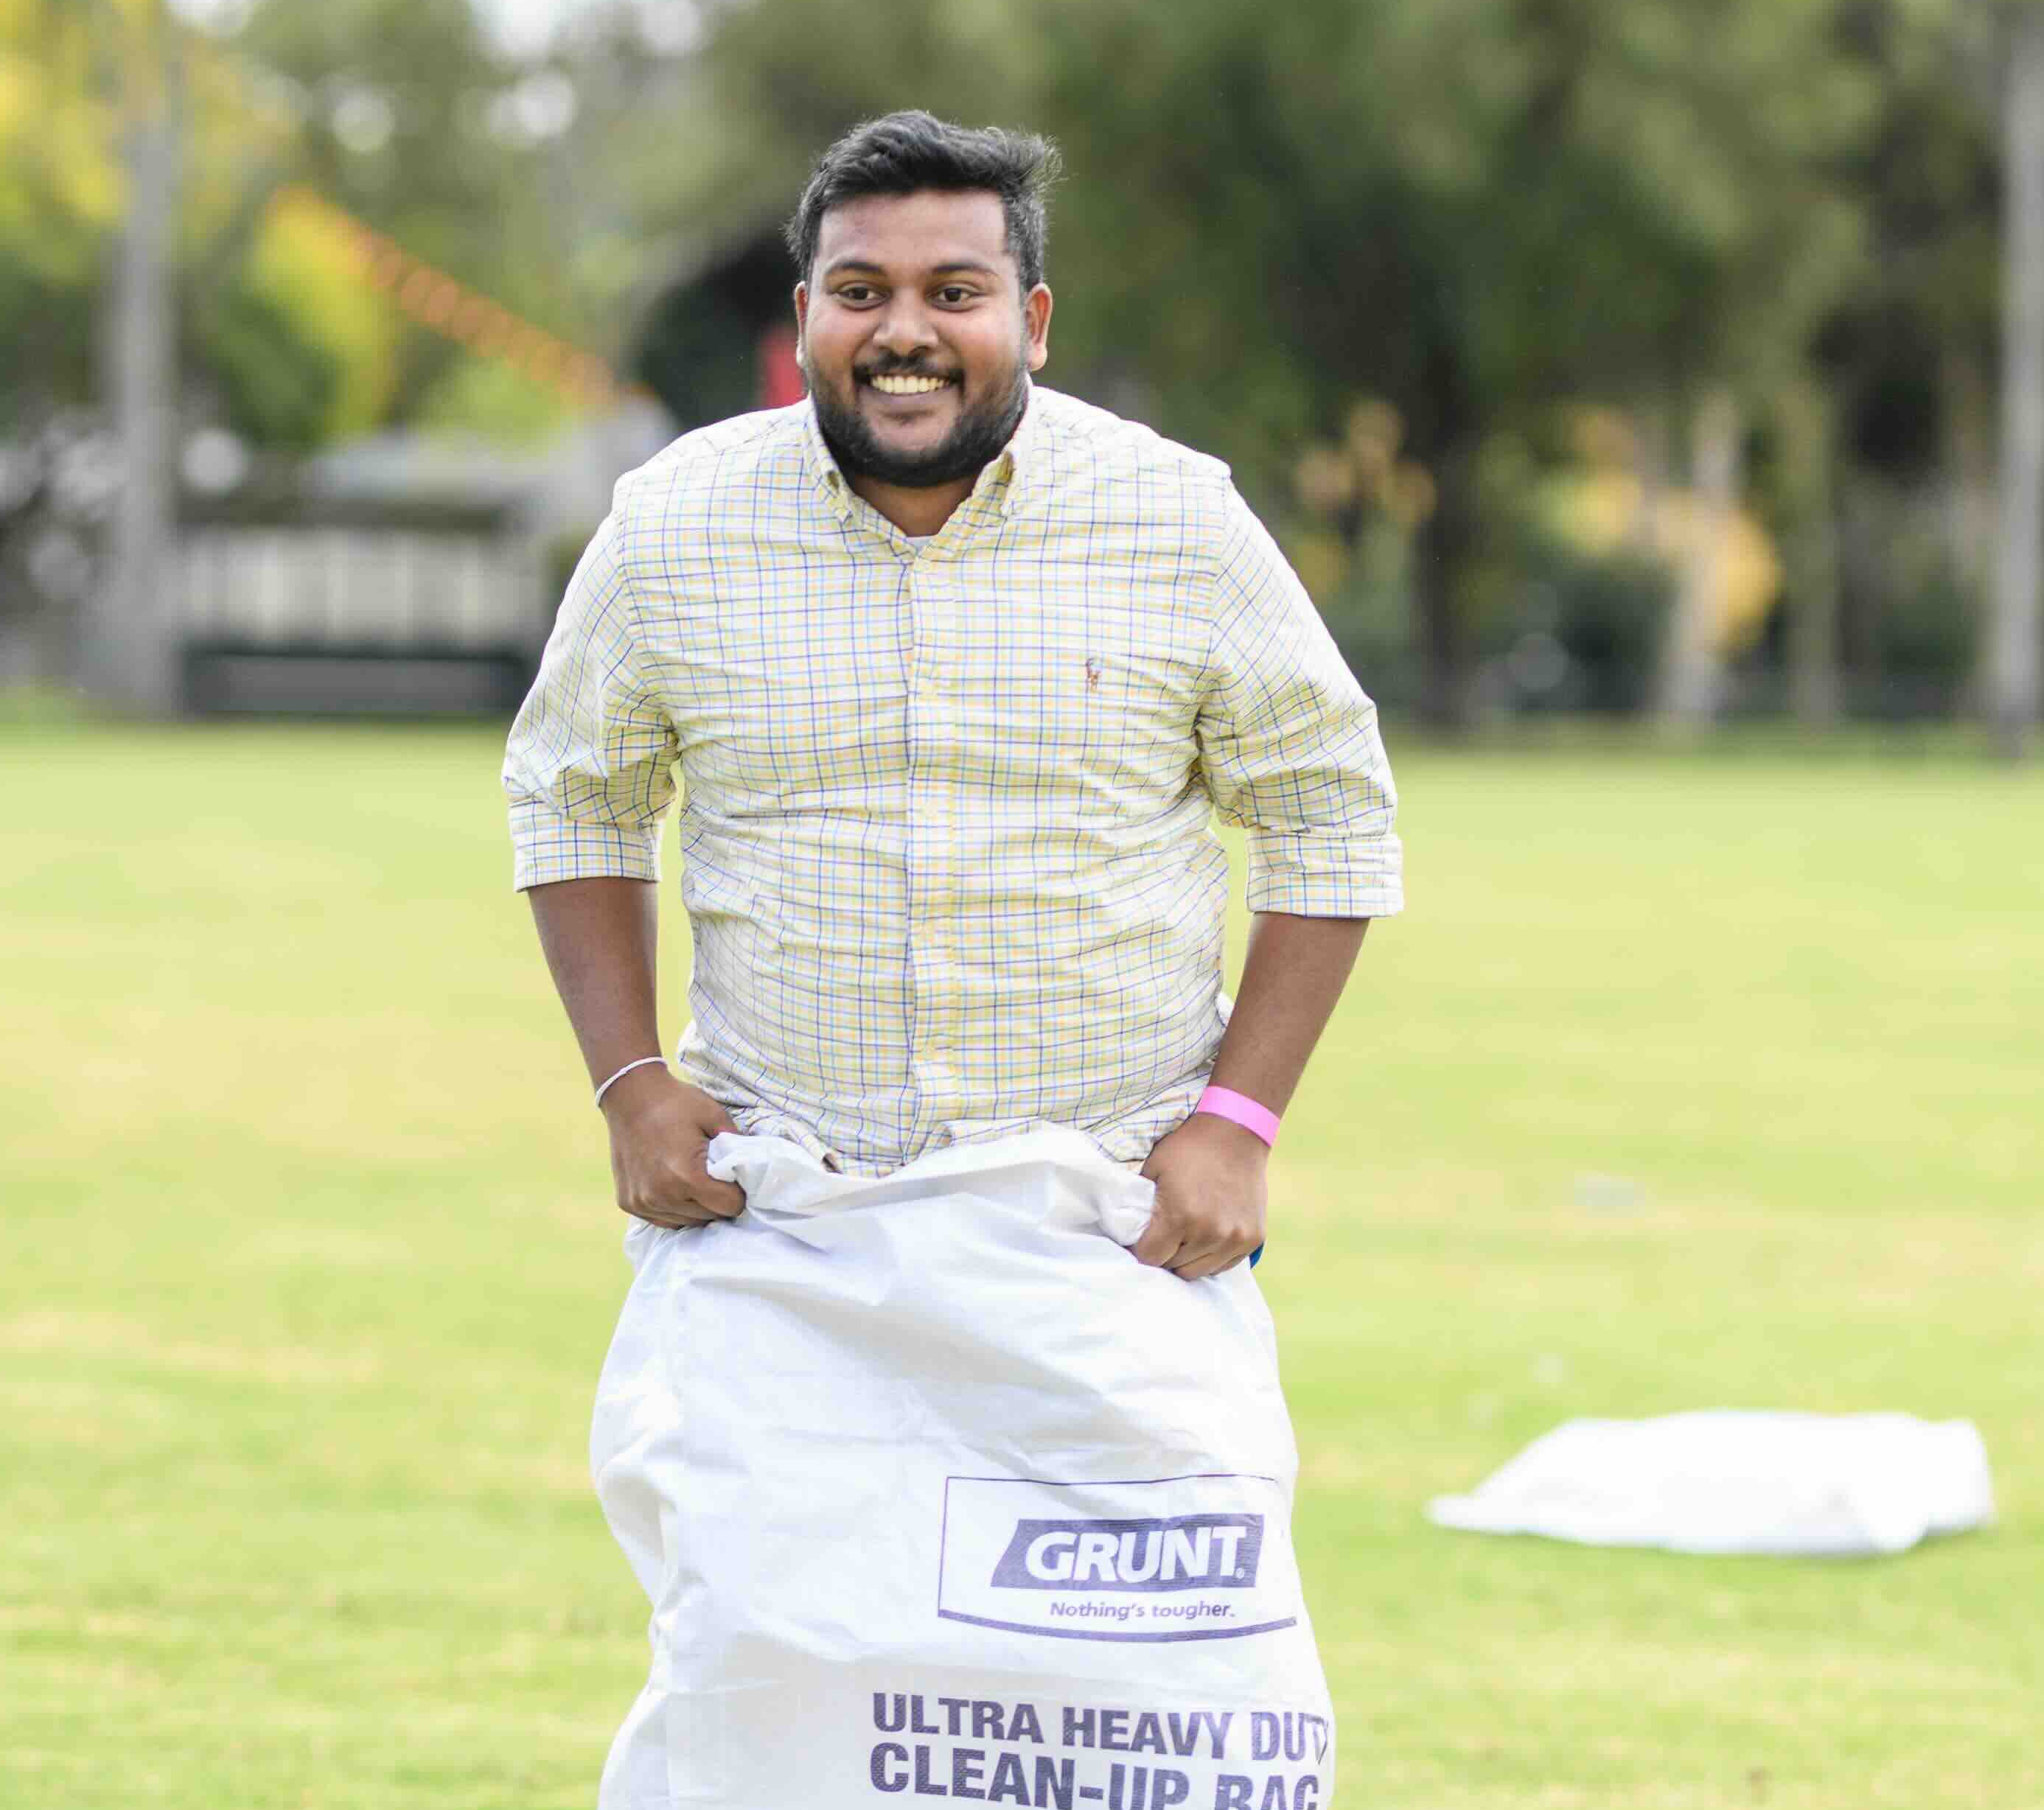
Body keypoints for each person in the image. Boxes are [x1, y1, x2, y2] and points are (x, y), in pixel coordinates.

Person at [503, 107, 1401, 1241]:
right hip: (771, 1208)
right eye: (862, 291)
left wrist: (1237, 1124)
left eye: (955, 294)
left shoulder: (1178, 520)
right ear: (806, 315)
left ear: (1031, 322)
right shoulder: (670, 524)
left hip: (1117, 1219)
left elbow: (1332, 812)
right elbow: (575, 800)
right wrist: (629, 1085)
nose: (903, 332)